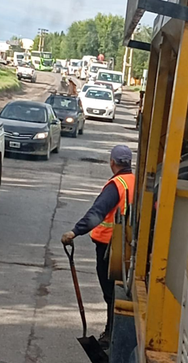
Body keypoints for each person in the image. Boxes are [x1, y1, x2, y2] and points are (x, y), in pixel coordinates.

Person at [61, 145, 135, 349]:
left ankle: (112, 334)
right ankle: (112, 331)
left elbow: (97, 213)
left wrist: (75, 231)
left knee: (110, 293)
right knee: (118, 292)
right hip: (128, 247)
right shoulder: (134, 182)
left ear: (112, 162)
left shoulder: (116, 185)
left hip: (109, 249)